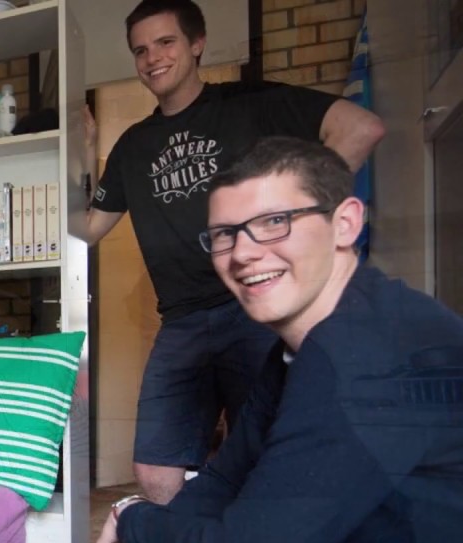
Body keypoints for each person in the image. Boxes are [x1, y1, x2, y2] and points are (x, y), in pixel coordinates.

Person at [82, 136, 463, 543]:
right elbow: (226, 478)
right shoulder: (306, 343)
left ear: (344, 222)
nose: (244, 253)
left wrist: (133, 520)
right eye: (225, 234)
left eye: (274, 222)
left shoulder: (365, 358)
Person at [84, 0, 386, 503]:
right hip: (180, 321)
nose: (152, 58)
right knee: (155, 470)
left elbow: (361, 128)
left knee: (276, 455)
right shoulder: (133, 145)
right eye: (140, 50)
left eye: (165, 42)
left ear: (196, 44)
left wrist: (292, 213)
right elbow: (89, 228)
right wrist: (78, 149)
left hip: (253, 308)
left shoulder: (251, 103)